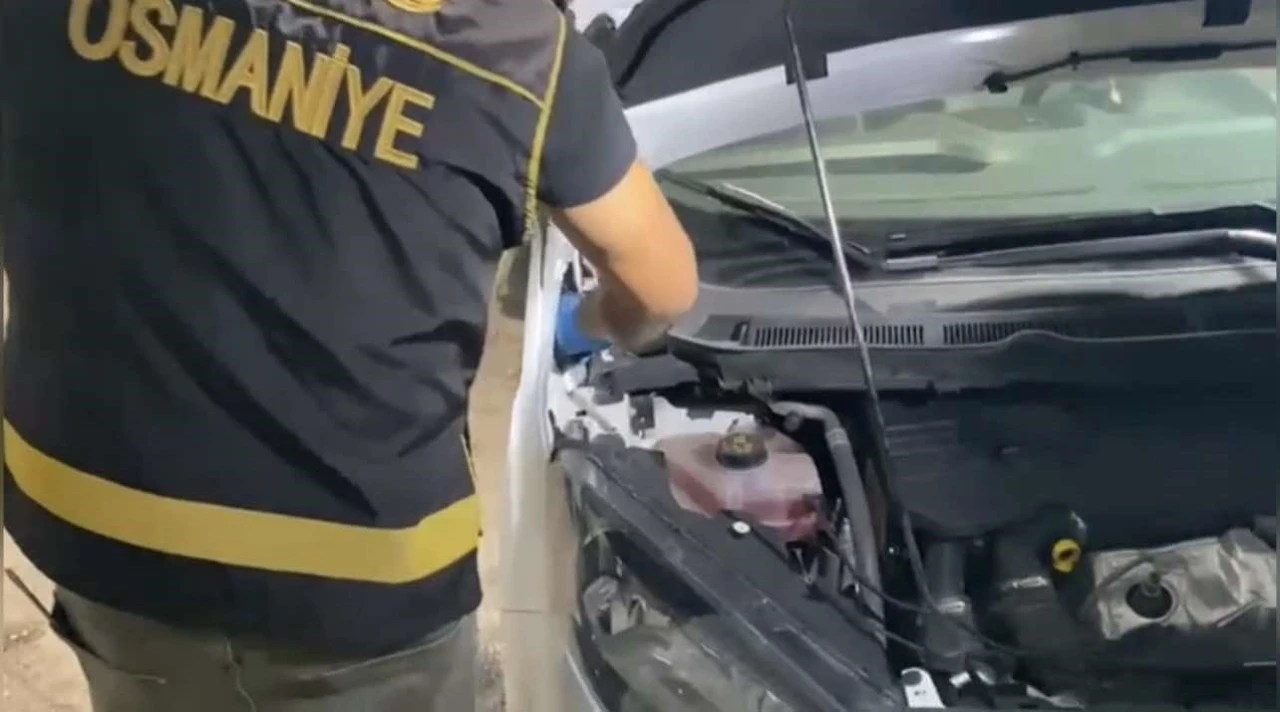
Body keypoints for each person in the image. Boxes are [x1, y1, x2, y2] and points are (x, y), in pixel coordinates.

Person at [0, 0, 697, 709]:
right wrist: (587, 323)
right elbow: (664, 286)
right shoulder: (517, 58)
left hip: (102, 527)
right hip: (359, 582)